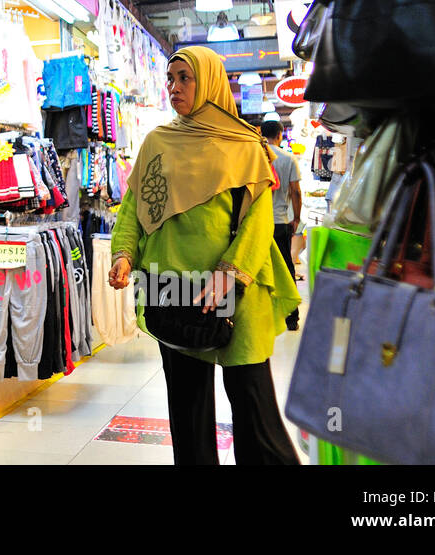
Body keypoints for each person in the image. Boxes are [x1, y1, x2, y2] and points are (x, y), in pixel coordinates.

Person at [107, 47, 301, 465]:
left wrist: (230, 273)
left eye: (185, 78)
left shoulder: (246, 146)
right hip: (172, 286)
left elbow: (258, 222)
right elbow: (134, 208)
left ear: (209, 81)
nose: (174, 87)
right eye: (171, 78)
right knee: (187, 406)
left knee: (254, 406)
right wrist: (123, 253)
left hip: (235, 290)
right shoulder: (158, 141)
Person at [261, 120, 303, 330]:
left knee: (261, 270)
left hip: (258, 223)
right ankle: (291, 318)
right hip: (280, 222)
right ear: (280, 135)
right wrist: (296, 218)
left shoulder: (256, 156)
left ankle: (264, 316)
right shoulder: (288, 158)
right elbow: (295, 191)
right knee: (286, 269)